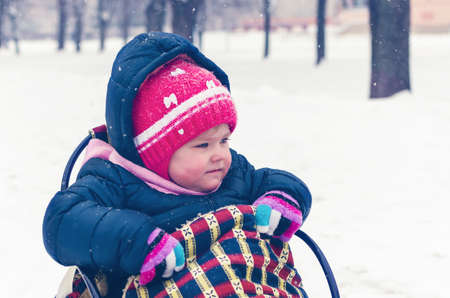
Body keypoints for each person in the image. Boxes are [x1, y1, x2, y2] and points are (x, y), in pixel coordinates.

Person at [43, 32, 311, 297]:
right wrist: (135, 242)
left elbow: (275, 182)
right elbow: (62, 222)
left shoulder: (231, 172)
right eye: (203, 145)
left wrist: (282, 198)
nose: (219, 154)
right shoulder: (114, 179)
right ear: (155, 153)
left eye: (224, 140)